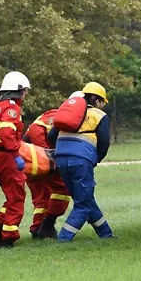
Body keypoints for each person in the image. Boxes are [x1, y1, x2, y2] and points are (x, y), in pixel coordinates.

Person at [49, 82, 115, 241]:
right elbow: (104, 143)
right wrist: (94, 159)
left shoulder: (69, 113)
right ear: (98, 101)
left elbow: (51, 137)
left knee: (85, 198)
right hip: (81, 160)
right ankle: (64, 238)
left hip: (61, 159)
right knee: (83, 203)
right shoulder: (99, 115)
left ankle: (105, 234)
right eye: (103, 103)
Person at [0, 71, 31, 249]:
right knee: (17, 197)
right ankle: (7, 237)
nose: (25, 95)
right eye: (25, 91)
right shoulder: (11, 108)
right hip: (5, 157)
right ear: (18, 90)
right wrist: (16, 155)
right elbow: (6, 133)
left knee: (11, 196)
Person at [23, 106, 71, 240]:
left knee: (42, 197)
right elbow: (35, 130)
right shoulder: (58, 116)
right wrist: (46, 156)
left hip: (28, 161)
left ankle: (38, 228)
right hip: (35, 160)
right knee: (62, 191)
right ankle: (47, 226)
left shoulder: (57, 114)